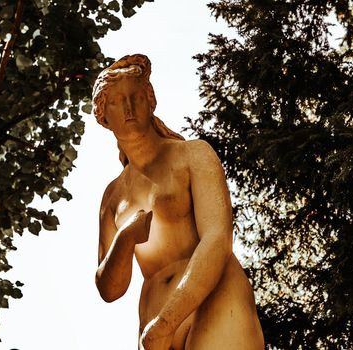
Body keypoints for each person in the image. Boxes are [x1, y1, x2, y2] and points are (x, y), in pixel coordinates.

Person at [93, 54, 264, 350]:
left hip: (215, 298)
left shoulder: (192, 155)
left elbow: (217, 239)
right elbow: (110, 289)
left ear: (150, 102)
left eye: (136, 97)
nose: (129, 108)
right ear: (104, 116)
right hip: (152, 321)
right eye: (117, 101)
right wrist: (125, 238)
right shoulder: (113, 196)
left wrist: (167, 322)